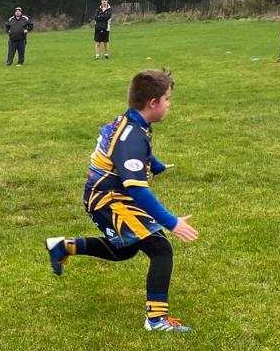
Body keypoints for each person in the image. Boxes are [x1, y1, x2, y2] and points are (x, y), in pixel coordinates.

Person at [44, 69, 199, 331]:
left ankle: (63, 246)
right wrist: (171, 222)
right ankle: (156, 320)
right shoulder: (131, 136)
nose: (169, 104)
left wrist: (155, 164)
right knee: (161, 249)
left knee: (125, 249)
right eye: (167, 99)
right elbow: (138, 190)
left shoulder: (134, 123)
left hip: (110, 195)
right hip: (108, 199)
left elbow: (135, 151)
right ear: (153, 103)